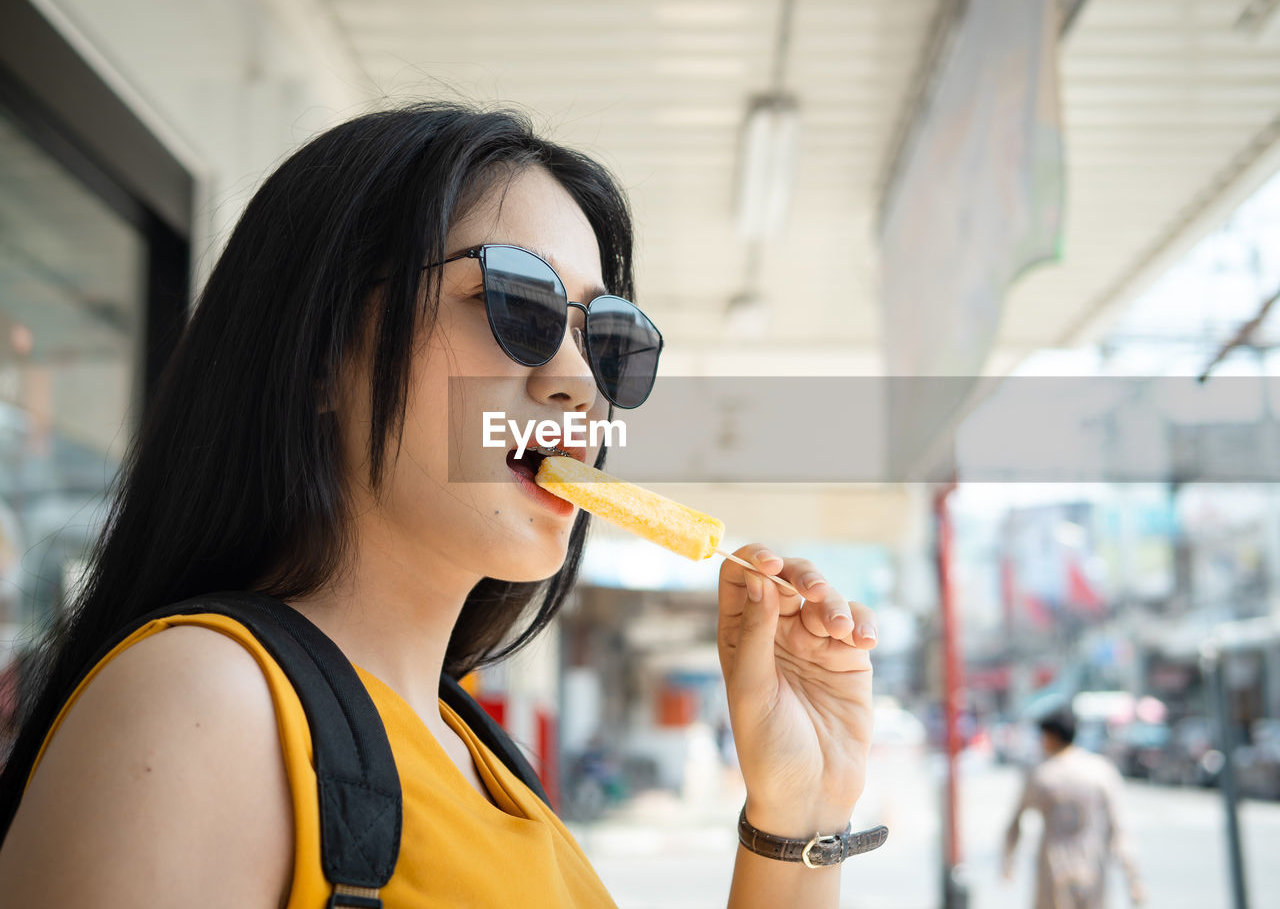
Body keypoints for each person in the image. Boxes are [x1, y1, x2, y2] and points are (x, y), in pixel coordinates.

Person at [0, 102, 880, 907]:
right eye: (515, 301)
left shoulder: (484, 764)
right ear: (321, 353)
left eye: (606, 339)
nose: (579, 383)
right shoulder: (207, 707)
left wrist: (796, 815)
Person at [1004, 706, 1145, 909]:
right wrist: (1134, 877)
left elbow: (1015, 822)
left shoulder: (1042, 774)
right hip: (1092, 866)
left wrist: (1009, 861)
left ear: (1050, 736)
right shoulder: (1100, 770)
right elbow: (1120, 827)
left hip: (1054, 868)